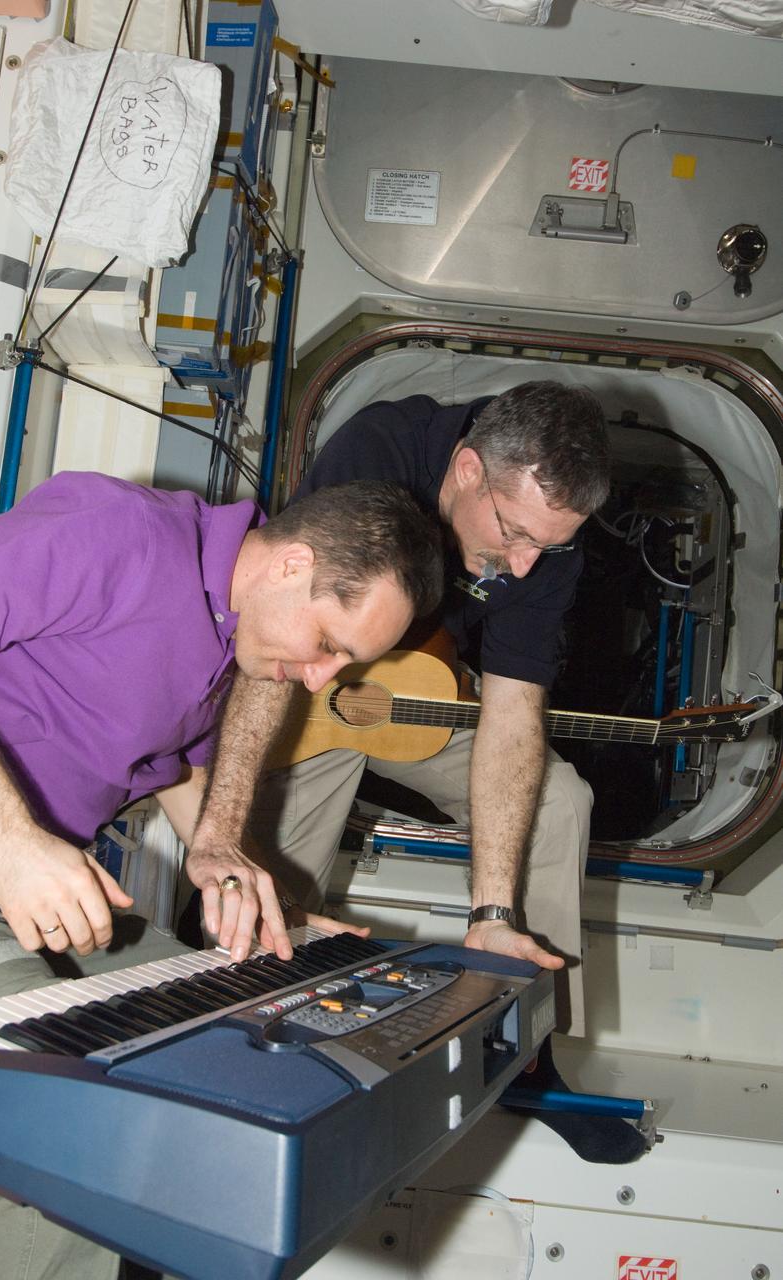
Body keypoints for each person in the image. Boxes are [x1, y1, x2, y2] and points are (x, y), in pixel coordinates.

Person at [0, 470, 443, 1280]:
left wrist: (259, 892)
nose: (320, 680)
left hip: (1, 868)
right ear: (289, 566)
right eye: (329, 646)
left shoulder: (222, 640)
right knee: (86, 1126)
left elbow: (167, 766)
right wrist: (11, 841)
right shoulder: (123, 532)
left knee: (213, 1038)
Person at [194, 381, 647, 1164]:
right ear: (467, 469)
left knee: (561, 802)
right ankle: (242, 1052)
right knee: (272, 867)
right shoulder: (381, 452)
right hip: (314, 685)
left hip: (418, 705)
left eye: (550, 545)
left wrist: (494, 911)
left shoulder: (545, 547)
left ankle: (526, 1055)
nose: (526, 562)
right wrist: (230, 820)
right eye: (512, 534)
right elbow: (289, 638)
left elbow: (513, 713)